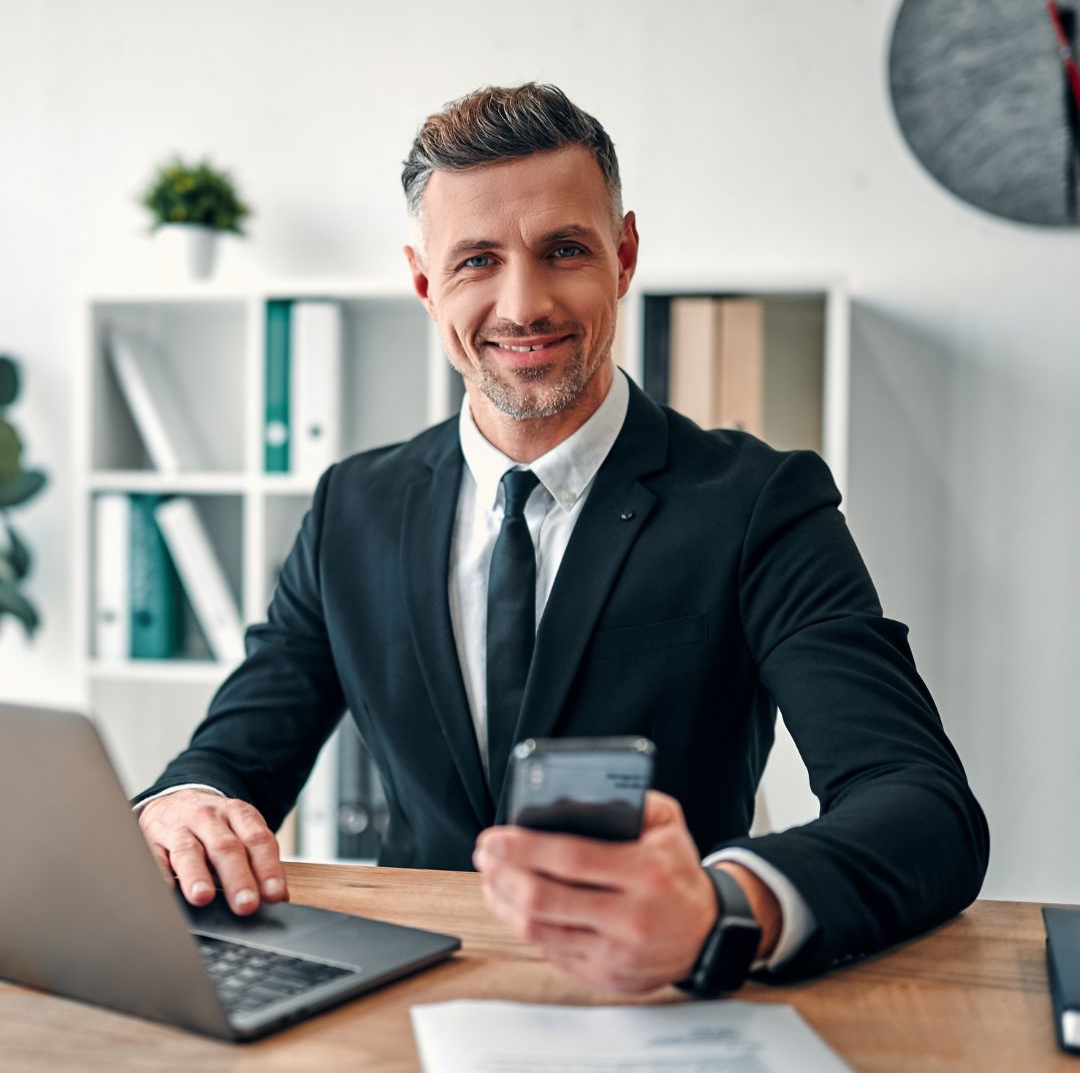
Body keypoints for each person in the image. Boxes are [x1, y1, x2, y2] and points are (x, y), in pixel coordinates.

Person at [134, 83, 988, 992]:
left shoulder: (758, 503)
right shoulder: (355, 505)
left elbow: (921, 804)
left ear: (622, 256)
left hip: (658, 1003)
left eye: (564, 250)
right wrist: (186, 807)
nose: (523, 304)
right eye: (476, 262)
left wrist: (725, 907)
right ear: (426, 283)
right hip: (398, 1001)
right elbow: (232, 757)